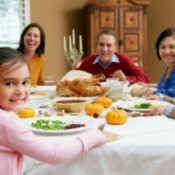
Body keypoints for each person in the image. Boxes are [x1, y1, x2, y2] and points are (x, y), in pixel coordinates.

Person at [0, 47, 119, 175]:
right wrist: (96, 136)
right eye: (9, 83)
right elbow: (54, 154)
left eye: (25, 82)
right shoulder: (6, 123)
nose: (20, 91)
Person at [76, 29, 150, 84]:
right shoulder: (88, 62)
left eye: (109, 45)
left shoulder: (124, 60)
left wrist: (125, 78)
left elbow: (146, 79)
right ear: (96, 46)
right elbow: (73, 80)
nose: (104, 49)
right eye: (101, 45)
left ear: (115, 48)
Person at [131, 27, 175, 98]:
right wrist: (147, 85)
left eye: (172, 47)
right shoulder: (170, 67)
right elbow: (166, 86)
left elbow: (172, 93)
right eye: (163, 47)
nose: (167, 52)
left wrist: (144, 91)